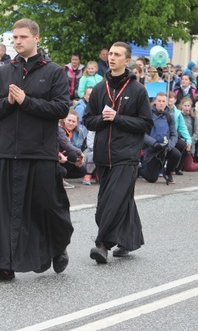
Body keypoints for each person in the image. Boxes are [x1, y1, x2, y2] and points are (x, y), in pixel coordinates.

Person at [0, 18, 73, 282]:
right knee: (4, 210)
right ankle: (4, 265)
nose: (18, 41)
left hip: (41, 151)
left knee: (48, 206)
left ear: (36, 38)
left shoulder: (54, 71)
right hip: (9, 152)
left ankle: (57, 247)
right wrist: (10, 102)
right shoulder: (4, 72)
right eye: (15, 37)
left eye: (23, 37)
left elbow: (60, 109)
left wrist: (26, 101)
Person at [83, 42, 153, 263]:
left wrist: (118, 118)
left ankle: (102, 244)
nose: (112, 58)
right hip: (104, 156)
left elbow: (145, 124)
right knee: (119, 200)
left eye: (117, 55)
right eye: (110, 54)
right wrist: (103, 120)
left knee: (111, 202)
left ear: (127, 60)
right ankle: (129, 240)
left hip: (126, 156)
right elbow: (88, 120)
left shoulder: (137, 90)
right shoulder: (99, 89)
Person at [140, 92, 180, 184]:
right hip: (152, 148)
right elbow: (143, 134)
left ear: (166, 102)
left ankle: (168, 172)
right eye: (159, 101)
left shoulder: (169, 116)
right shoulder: (148, 115)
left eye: (163, 101)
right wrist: (154, 143)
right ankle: (138, 167)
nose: (161, 103)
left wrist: (169, 145)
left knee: (176, 154)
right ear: (155, 102)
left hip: (165, 147)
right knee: (152, 179)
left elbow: (174, 134)